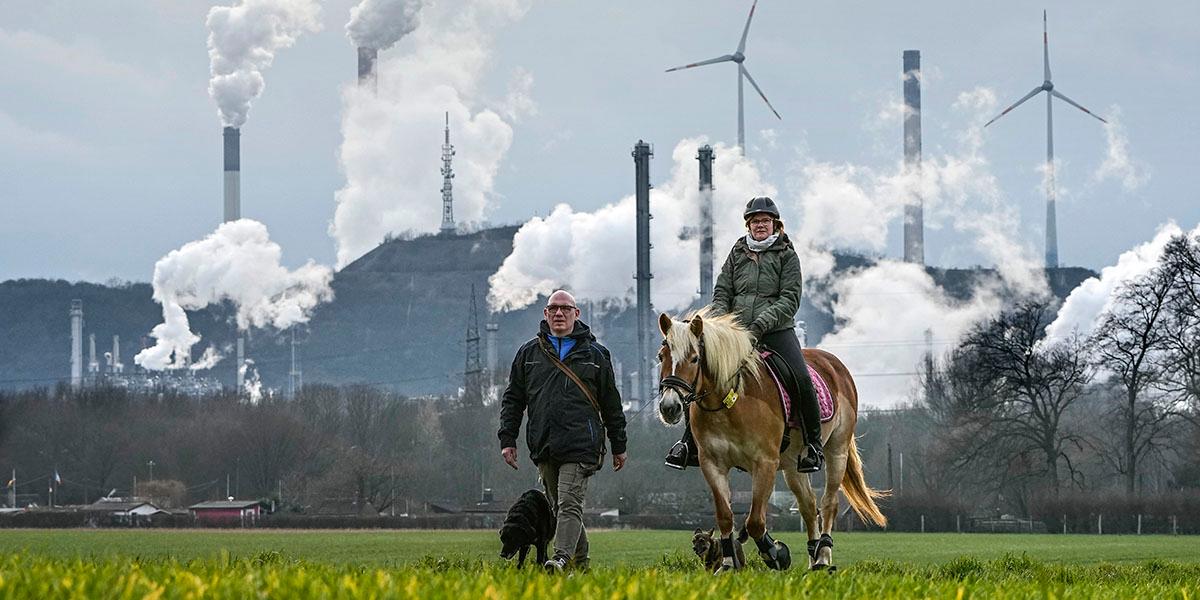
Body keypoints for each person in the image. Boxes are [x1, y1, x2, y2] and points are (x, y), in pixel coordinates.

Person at [664, 196, 825, 473]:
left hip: (775, 331)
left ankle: (813, 445)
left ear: (775, 224)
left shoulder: (787, 254)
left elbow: (789, 298)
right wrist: (720, 322)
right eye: (754, 221)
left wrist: (761, 324)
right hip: (735, 332)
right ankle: (688, 444)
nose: (760, 225)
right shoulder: (738, 252)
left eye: (765, 221)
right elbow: (723, 290)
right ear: (748, 225)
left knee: (800, 377)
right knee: (703, 376)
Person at [499, 289, 628, 573]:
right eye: (553, 309)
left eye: (565, 309)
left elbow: (611, 403)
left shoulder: (596, 355)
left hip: (582, 444)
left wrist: (619, 444)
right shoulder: (528, 353)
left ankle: (560, 560)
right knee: (561, 507)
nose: (559, 313)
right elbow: (513, 399)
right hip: (544, 443)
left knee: (570, 502)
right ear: (545, 314)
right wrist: (508, 439)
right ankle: (581, 567)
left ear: (576, 314)